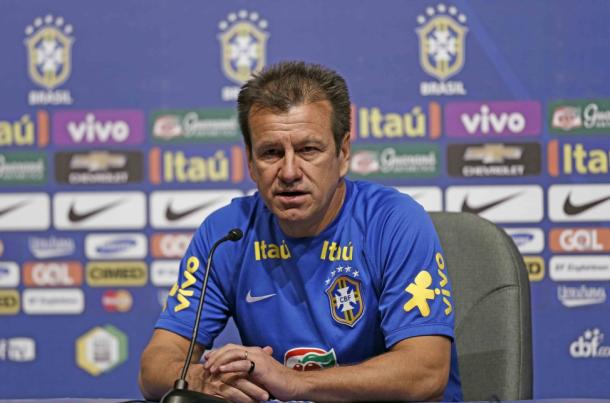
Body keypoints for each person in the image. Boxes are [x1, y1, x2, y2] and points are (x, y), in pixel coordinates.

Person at [139, 61, 462, 402]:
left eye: (309, 150)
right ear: (250, 162)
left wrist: (292, 382)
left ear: (343, 153)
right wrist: (202, 378)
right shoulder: (227, 234)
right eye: (271, 153)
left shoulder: (394, 222)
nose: (290, 171)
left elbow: (427, 371)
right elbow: (154, 366)